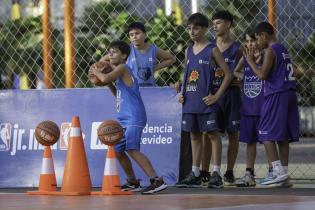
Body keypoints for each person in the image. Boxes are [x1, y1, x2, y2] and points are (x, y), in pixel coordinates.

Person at [89, 40, 167, 194]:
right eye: (109, 51)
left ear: (124, 55)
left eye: (115, 52)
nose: (110, 54)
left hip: (134, 116)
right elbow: (115, 92)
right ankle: (133, 181)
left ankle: (156, 180)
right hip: (124, 118)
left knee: (131, 148)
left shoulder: (124, 68)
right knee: (118, 150)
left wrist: (95, 70)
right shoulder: (118, 73)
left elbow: (104, 78)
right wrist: (107, 82)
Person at [175, 13, 232, 188]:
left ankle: (215, 173)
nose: (192, 31)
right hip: (190, 101)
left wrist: (216, 96)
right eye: (189, 28)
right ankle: (195, 172)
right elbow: (188, 74)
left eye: (196, 28)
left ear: (205, 29)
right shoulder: (188, 50)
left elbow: (228, 74)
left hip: (207, 102)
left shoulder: (212, 49)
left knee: (213, 135)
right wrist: (182, 92)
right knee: (194, 135)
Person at [244, 22, 299, 186]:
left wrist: (250, 61)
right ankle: (284, 174)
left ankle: (277, 171)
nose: (257, 43)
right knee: (282, 137)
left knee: (265, 133)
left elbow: (262, 75)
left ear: (263, 35)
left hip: (276, 94)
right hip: (289, 93)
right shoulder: (283, 49)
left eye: (257, 39)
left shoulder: (270, 50)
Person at [211, 10, 242, 186]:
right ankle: (211, 171)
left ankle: (229, 171)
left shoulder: (239, 48)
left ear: (229, 24)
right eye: (213, 23)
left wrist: (241, 80)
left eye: (219, 22)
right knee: (211, 133)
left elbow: (248, 70)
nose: (215, 26)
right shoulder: (209, 47)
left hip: (231, 94)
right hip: (213, 93)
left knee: (233, 134)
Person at [233, 29, 264, 187]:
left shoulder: (266, 57)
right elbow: (235, 71)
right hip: (249, 107)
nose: (251, 44)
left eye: (253, 40)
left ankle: (274, 170)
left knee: (270, 141)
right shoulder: (245, 59)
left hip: (264, 107)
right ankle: (248, 173)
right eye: (248, 41)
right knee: (250, 142)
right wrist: (243, 77)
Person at [100, 22, 175, 87]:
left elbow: (171, 59)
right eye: (131, 35)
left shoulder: (153, 49)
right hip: (131, 89)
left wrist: (155, 68)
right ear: (129, 38)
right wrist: (116, 69)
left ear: (145, 34)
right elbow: (103, 60)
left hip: (150, 89)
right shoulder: (127, 49)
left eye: (137, 33)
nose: (134, 37)